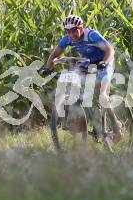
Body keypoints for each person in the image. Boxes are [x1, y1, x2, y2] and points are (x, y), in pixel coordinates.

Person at [42, 14, 123, 143]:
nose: (72, 34)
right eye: (68, 31)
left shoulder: (91, 35)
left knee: (101, 94)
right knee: (78, 87)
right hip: (88, 63)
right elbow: (54, 55)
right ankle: (82, 120)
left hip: (104, 62)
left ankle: (116, 128)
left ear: (81, 27)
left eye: (75, 30)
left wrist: (104, 63)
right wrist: (48, 68)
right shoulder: (67, 39)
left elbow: (110, 51)